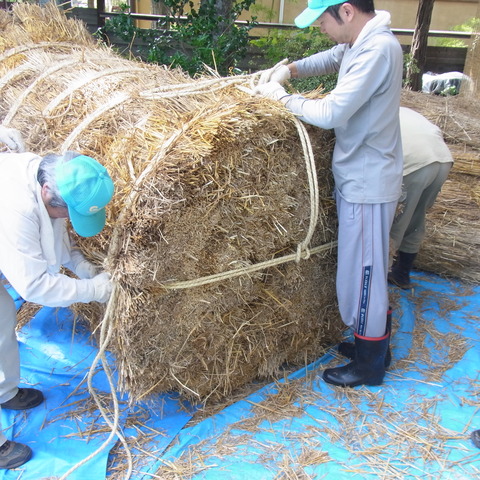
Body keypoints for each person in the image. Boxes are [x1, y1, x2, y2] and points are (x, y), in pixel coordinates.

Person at [254, 0, 404, 388]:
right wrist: (289, 69)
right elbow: (332, 56)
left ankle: (370, 365)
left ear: (347, 11)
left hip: (369, 182)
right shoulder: (359, 42)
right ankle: (371, 344)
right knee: (358, 270)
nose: (322, 28)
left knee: (366, 274)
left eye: (323, 20)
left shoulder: (378, 49)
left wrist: (280, 97)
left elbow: (330, 113)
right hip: (358, 176)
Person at [0, 148, 115, 469]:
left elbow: (55, 237)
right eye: (68, 213)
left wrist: (84, 268)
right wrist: (93, 290)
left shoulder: (50, 179)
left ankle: (3, 391)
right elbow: (34, 285)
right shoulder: (15, 206)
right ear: (47, 193)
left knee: (2, 317)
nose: (68, 220)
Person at [388, 107, 453, 289]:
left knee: (392, 224)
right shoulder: (403, 109)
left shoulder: (373, 110)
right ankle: (401, 275)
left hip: (414, 163)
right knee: (416, 218)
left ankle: (377, 293)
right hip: (442, 159)